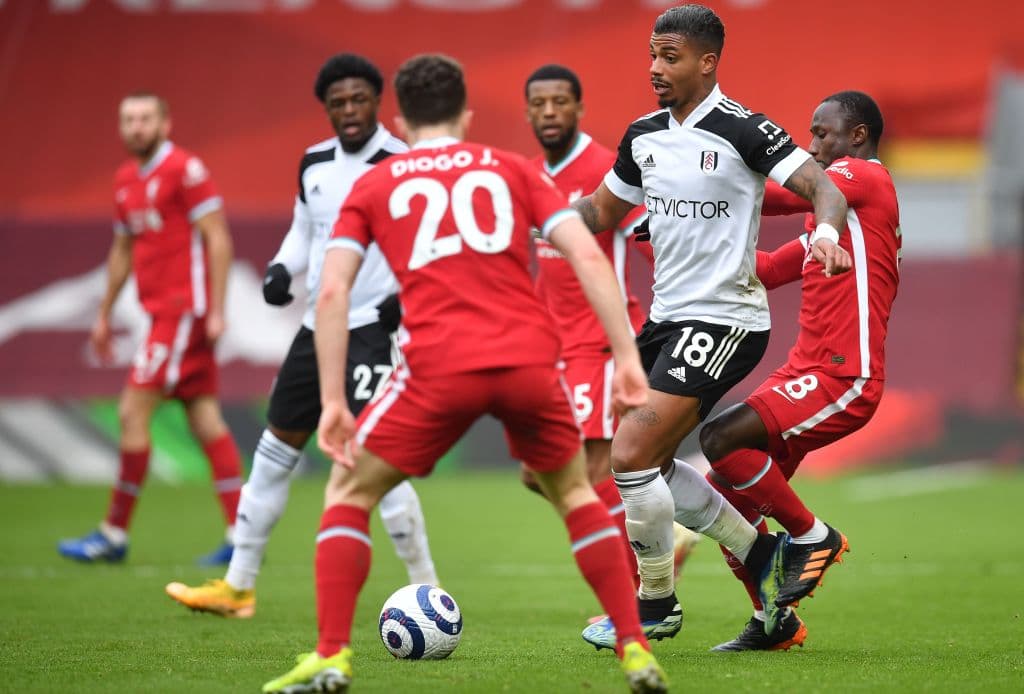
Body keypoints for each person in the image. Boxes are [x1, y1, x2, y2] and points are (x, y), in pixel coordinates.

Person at [262, 53, 668, 694]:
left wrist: (335, 398)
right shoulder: (512, 169)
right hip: (529, 361)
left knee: (348, 492)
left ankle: (333, 656)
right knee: (576, 495)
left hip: (437, 367)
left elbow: (332, 292)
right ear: (466, 114)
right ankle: (635, 648)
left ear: (399, 117)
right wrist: (625, 358)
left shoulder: (375, 183)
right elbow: (587, 254)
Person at [575, 3, 852, 650]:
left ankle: (656, 603)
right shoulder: (643, 135)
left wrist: (827, 237)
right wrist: (532, 220)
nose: (655, 69)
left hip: (726, 317)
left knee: (631, 455)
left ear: (707, 62)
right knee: (641, 464)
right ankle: (761, 556)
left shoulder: (743, 129)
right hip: (669, 321)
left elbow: (826, 190)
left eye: (669, 57)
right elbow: (600, 210)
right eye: (651, 56)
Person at [164, 54, 440, 618]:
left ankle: (429, 588)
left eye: (358, 99)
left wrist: (401, 299)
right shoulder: (314, 163)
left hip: (372, 331)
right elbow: (303, 231)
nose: (348, 111)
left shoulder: (404, 162)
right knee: (271, 455)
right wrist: (280, 270)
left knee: (379, 465)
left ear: (376, 100)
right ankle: (238, 587)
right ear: (327, 108)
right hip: (317, 330)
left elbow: (426, 244)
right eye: (337, 103)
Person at [700, 91, 900, 650]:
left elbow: (783, 191)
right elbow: (760, 268)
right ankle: (775, 623)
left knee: (719, 436)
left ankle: (814, 536)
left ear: (857, 135)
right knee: (727, 501)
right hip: (804, 373)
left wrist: (697, 191)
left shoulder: (864, 176)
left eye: (821, 134)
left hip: (844, 376)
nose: (811, 147)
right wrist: (666, 234)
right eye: (809, 136)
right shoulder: (831, 223)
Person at [523, 64, 700, 594]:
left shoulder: (605, 170)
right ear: (528, 110)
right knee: (537, 474)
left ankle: (630, 601)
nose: (550, 111)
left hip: (600, 345)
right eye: (539, 103)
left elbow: (649, 238)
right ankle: (664, 535)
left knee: (600, 473)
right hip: (554, 349)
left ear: (579, 108)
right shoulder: (528, 175)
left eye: (560, 101)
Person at [58, 93, 243, 565]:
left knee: (130, 410)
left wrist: (218, 309)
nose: (136, 127)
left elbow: (217, 236)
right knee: (204, 418)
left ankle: (113, 533)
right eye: (128, 119)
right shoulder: (125, 180)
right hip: (163, 312)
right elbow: (122, 251)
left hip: (185, 310)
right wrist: (103, 313)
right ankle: (243, 533)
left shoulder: (185, 169)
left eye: (145, 118)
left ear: (165, 123)